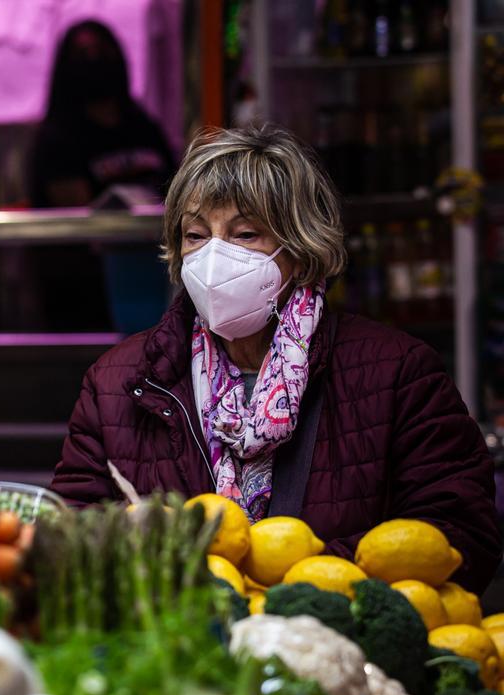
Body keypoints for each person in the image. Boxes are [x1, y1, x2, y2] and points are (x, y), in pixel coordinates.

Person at [50, 125, 502, 593]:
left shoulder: (398, 373)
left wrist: (294, 585)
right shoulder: (117, 382)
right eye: (196, 234)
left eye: (245, 234)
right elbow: (69, 535)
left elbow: (461, 537)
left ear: (303, 252)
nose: (213, 257)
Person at [29, 20, 175, 209]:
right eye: (84, 54)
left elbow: (176, 189)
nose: (94, 59)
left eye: (101, 51)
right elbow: (80, 219)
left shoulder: (144, 126)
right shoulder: (57, 139)